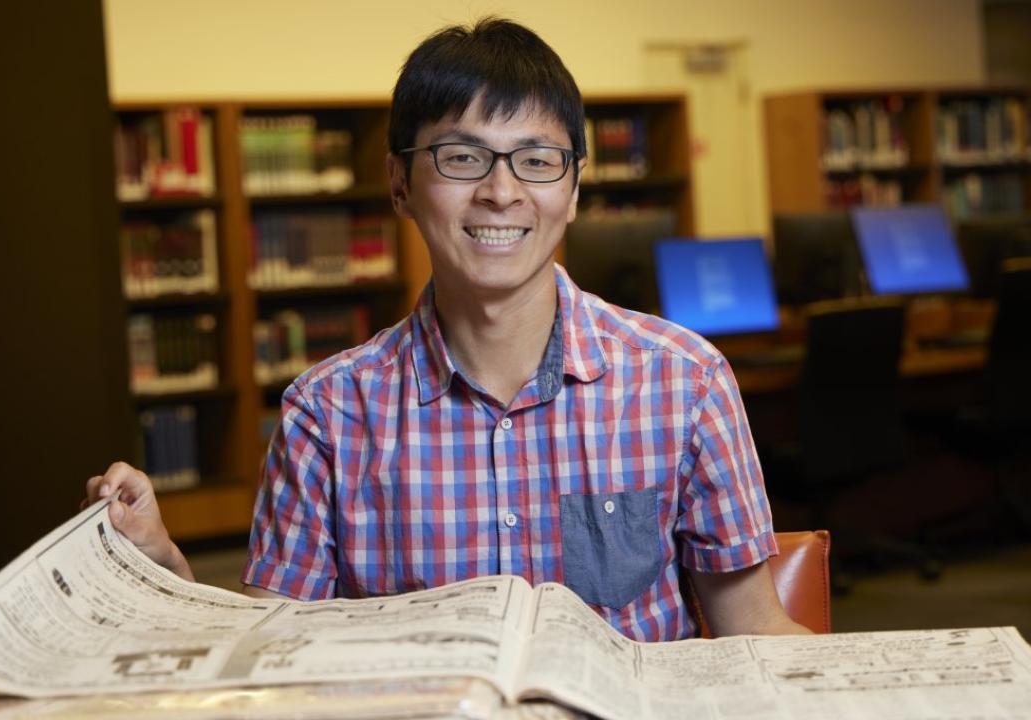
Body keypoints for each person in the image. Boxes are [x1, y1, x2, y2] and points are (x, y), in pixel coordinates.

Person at [86, 17, 810, 641]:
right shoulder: (327, 413)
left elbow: (753, 631)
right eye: (462, 157)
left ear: (575, 187)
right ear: (401, 184)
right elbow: (274, 651)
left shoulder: (685, 380)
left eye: (537, 159)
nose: (501, 191)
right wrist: (164, 571)